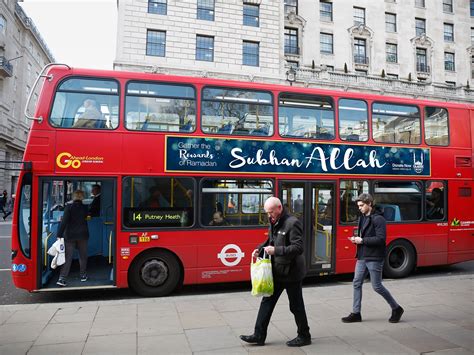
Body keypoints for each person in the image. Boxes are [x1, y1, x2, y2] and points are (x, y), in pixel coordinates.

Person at [240, 197, 311, 347]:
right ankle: (259, 335)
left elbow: (298, 248)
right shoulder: (274, 220)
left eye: (271, 212)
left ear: (279, 208)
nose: (269, 215)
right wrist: (259, 250)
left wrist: (276, 251)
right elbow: (271, 240)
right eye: (267, 213)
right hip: (277, 270)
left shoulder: (293, 223)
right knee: (267, 301)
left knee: (296, 306)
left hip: (292, 273)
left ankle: (304, 336)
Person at [342, 193, 404, 324]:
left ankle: (396, 308)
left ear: (369, 204)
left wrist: (362, 240)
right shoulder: (362, 218)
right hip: (362, 255)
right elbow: (363, 235)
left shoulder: (379, 219)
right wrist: (356, 240)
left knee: (377, 286)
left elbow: (381, 239)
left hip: (375, 257)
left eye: (361, 205)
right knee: (356, 282)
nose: (359, 208)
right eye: (358, 206)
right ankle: (356, 313)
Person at [56, 190, 90, 287]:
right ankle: (83, 275)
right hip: (83, 235)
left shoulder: (69, 207)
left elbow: (64, 222)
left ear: (74, 197)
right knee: (83, 256)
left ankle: (62, 278)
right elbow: (88, 217)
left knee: (68, 257)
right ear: (82, 197)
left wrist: (59, 234)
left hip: (70, 235)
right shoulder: (85, 208)